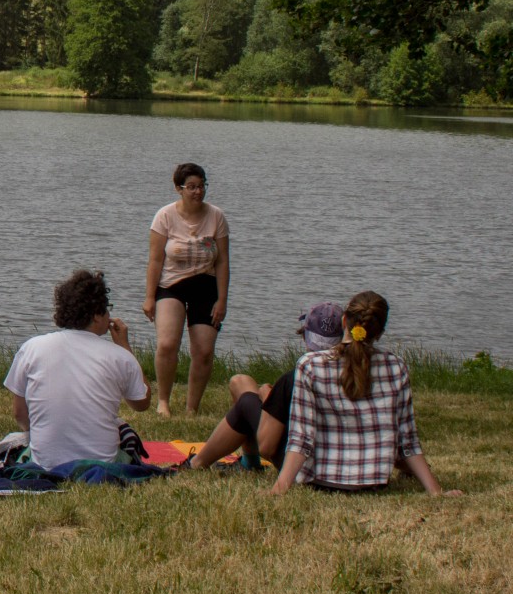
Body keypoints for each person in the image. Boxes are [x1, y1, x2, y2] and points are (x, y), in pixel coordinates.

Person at [270, 292, 461, 497]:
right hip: (374, 482)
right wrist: (436, 491)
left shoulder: (309, 366)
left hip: (321, 481)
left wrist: (278, 490)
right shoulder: (396, 367)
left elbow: (302, 438)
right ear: (380, 333)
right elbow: (408, 442)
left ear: (344, 321)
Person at [4, 269, 151, 467]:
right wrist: (125, 346)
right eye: (107, 309)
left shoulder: (32, 347)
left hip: (45, 463)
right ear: (97, 316)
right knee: (125, 434)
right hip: (101, 464)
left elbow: (19, 413)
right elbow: (141, 402)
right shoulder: (120, 357)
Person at [186, 302, 342, 470]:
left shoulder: (295, 378)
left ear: (305, 337)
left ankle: (197, 463)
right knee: (240, 382)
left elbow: (267, 447)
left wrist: (270, 401)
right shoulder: (356, 374)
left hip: (297, 461)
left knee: (246, 400)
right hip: (339, 460)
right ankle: (248, 463)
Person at [143, 162, 229, 416]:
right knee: (167, 344)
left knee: (204, 351)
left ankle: (192, 408)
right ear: (178, 189)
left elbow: (223, 261)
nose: (197, 192)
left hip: (206, 285)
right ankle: (163, 402)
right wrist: (149, 297)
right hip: (171, 285)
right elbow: (155, 260)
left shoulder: (216, 216)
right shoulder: (164, 216)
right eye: (191, 187)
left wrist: (222, 300)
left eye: (201, 186)